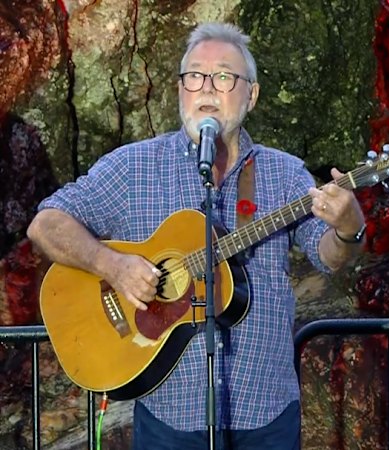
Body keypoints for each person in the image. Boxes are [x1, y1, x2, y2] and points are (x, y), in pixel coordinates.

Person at [26, 23, 367, 450]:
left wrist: (348, 225)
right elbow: (46, 223)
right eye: (194, 76)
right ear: (180, 89)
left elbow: (329, 256)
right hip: (169, 415)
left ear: (252, 95)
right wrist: (112, 265)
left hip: (266, 412)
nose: (207, 88)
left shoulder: (284, 173)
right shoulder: (135, 167)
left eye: (224, 76)